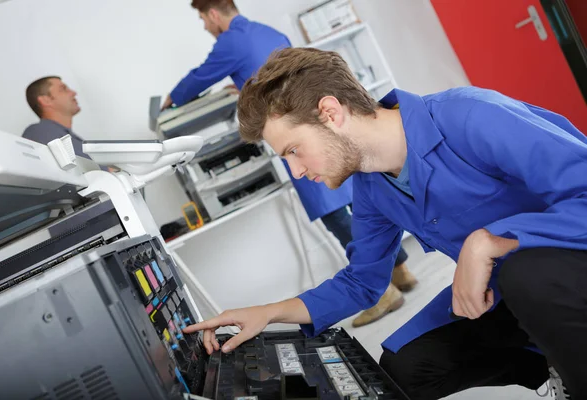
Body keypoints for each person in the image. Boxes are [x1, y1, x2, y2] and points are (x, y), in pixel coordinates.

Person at [184, 47, 587, 400]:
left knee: (525, 272)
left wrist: (489, 242)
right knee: (405, 367)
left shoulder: (467, 115)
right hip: (514, 296)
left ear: (330, 113)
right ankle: (557, 362)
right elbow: (361, 282)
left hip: (565, 268)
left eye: (294, 150)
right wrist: (268, 313)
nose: (297, 170)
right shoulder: (372, 189)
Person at [163, 0, 418, 326]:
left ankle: (384, 295)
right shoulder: (268, 32)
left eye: (202, 19)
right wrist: (241, 85)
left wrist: (171, 100)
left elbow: (197, 80)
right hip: (316, 128)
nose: (204, 26)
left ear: (213, 13)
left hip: (297, 137)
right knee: (361, 208)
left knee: (336, 216)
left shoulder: (230, 41)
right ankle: (402, 272)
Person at [22, 76, 90, 159]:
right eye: (63, 89)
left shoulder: (75, 139)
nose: (73, 93)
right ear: (45, 100)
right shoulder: (39, 131)